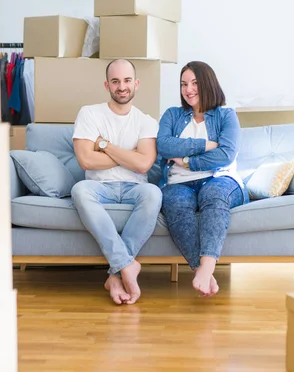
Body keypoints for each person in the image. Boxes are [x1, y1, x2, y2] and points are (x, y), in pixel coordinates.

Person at [72, 59, 162, 305]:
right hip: (99, 187)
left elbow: (143, 165)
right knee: (80, 190)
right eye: (115, 81)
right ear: (106, 85)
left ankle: (116, 273)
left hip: (136, 188)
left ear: (136, 83)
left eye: (126, 80)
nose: (121, 86)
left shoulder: (146, 121)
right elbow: (86, 160)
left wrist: (104, 145)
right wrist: (129, 155)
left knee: (153, 193)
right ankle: (126, 265)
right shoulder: (89, 113)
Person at [156, 61, 249, 297]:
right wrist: (205, 145)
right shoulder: (172, 114)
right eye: (184, 84)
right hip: (178, 182)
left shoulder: (226, 116)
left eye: (195, 83)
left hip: (220, 179)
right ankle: (202, 272)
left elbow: (226, 155)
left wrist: (187, 160)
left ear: (208, 83)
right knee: (175, 203)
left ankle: (206, 268)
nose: (188, 89)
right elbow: (164, 145)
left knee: (213, 194)